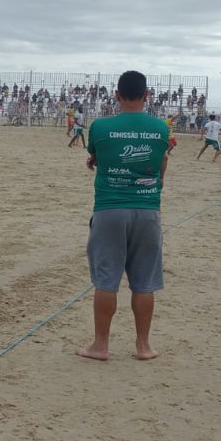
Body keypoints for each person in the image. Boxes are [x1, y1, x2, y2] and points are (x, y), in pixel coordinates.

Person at [77, 70, 168, 362]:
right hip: (147, 208)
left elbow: (98, 157)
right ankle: (143, 346)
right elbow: (161, 161)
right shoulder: (159, 128)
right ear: (147, 95)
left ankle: (100, 345)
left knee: (106, 280)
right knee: (144, 281)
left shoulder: (101, 126)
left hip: (109, 207)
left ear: (116, 95)